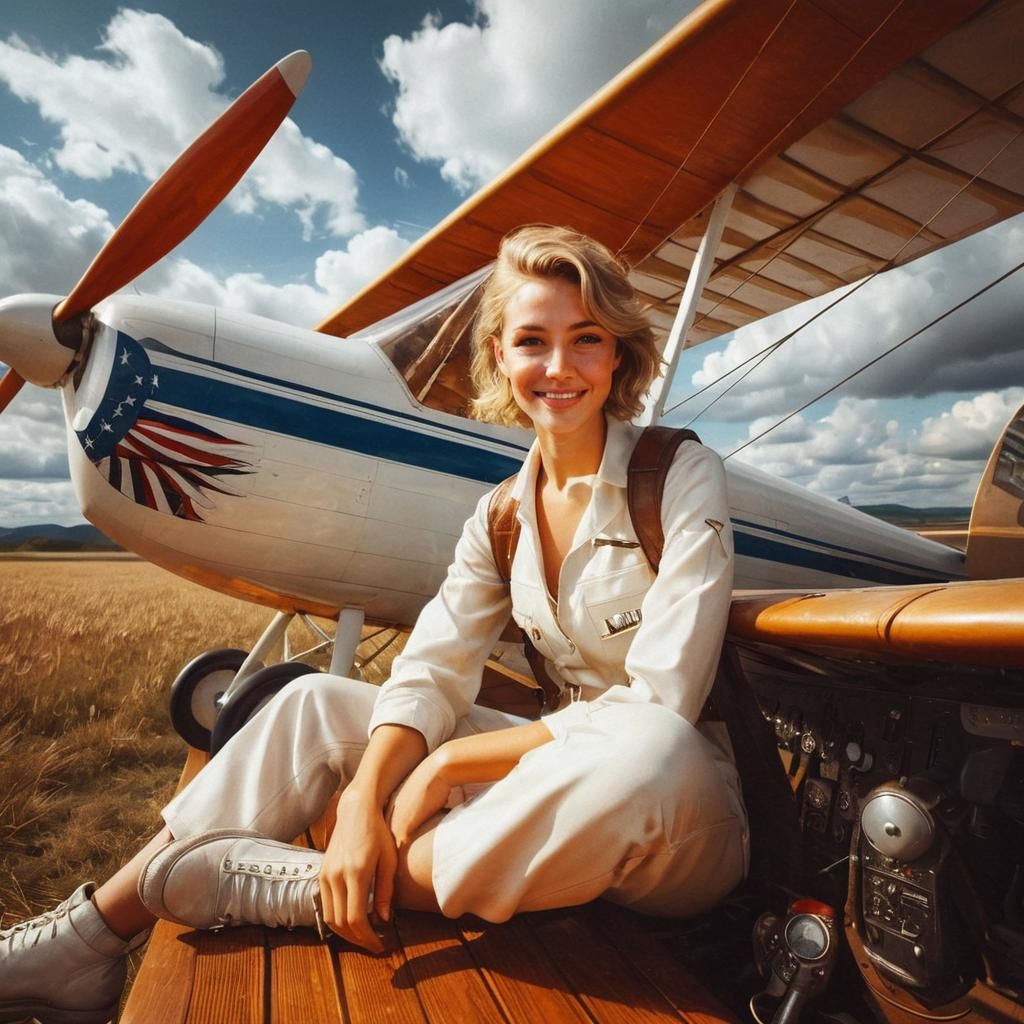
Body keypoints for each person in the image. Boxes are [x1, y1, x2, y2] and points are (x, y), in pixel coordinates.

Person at [0, 225, 748, 1024]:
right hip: (545, 780)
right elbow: (428, 672)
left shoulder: (681, 474)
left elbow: (661, 703)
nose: (558, 368)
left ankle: (307, 891)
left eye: (586, 340)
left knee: (648, 749)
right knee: (311, 703)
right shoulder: (499, 516)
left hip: (681, 808)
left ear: (618, 355)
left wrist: (441, 767)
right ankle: (86, 940)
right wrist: (361, 803)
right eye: (533, 341)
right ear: (500, 356)